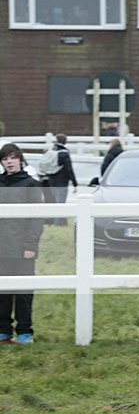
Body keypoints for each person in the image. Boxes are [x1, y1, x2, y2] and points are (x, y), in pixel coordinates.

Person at [0, 143, 44, 344]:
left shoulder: (31, 185)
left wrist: (30, 246)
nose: (9, 162)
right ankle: (4, 330)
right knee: (2, 292)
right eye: (5, 158)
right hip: (2, 247)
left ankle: (25, 331)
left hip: (22, 248)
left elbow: (36, 219)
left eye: (12, 157)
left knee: (24, 292)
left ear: (20, 159)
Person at [43, 133, 78, 225]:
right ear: (65, 141)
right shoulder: (64, 153)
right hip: (62, 181)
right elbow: (69, 169)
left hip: (51, 180)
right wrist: (74, 183)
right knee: (60, 202)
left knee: (54, 202)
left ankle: (51, 221)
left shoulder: (51, 151)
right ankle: (58, 223)